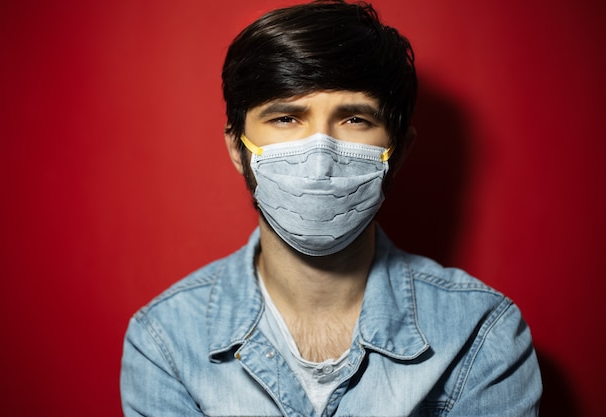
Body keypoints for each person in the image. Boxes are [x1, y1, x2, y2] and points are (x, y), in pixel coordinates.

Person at [120, 1, 542, 416]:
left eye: (355, 118)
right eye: (286, 118)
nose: (320, 157)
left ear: (399, 151)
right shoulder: (165, 340)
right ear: (237, 148)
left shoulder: (481, 332)